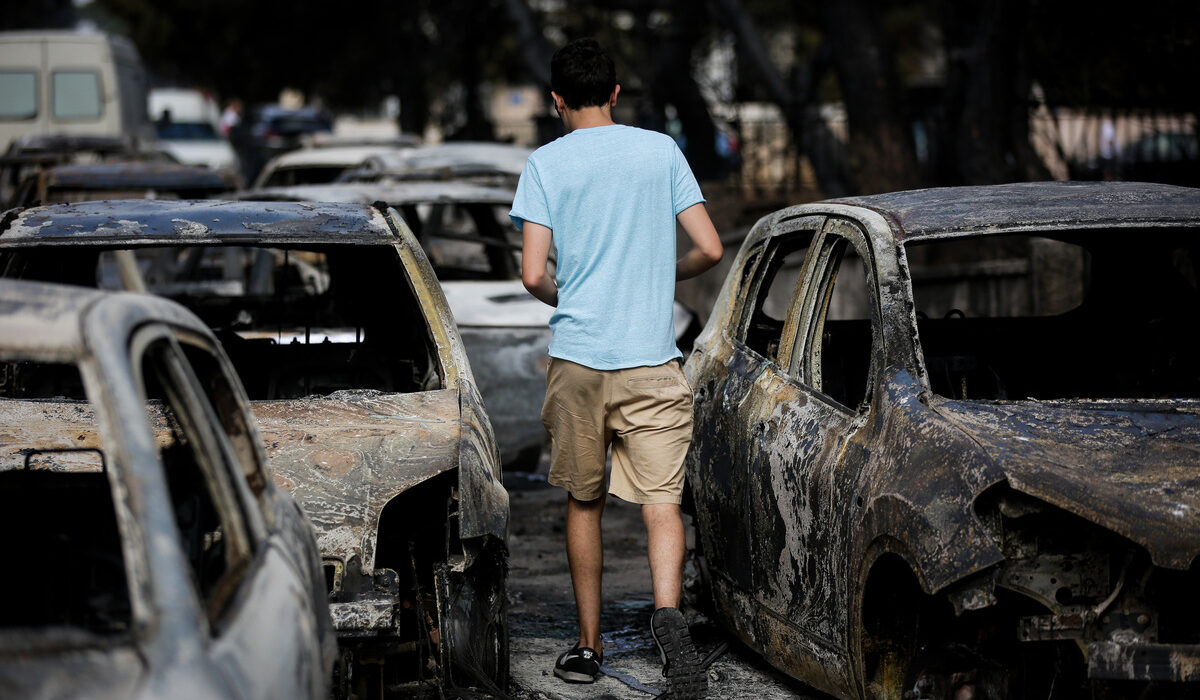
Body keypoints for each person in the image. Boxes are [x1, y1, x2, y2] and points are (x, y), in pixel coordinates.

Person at [509, 38, 723, 698]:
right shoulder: (659, 151)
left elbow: (532, 273)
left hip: (578, 359)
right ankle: (668, 619)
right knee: (663, 503)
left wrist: (570, 295)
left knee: (584, 500)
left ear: (555, 100)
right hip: (652, 359)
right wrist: (662, 273)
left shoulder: (543, 165)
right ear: (615, 93)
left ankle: (588, 645)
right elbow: (710, 248)